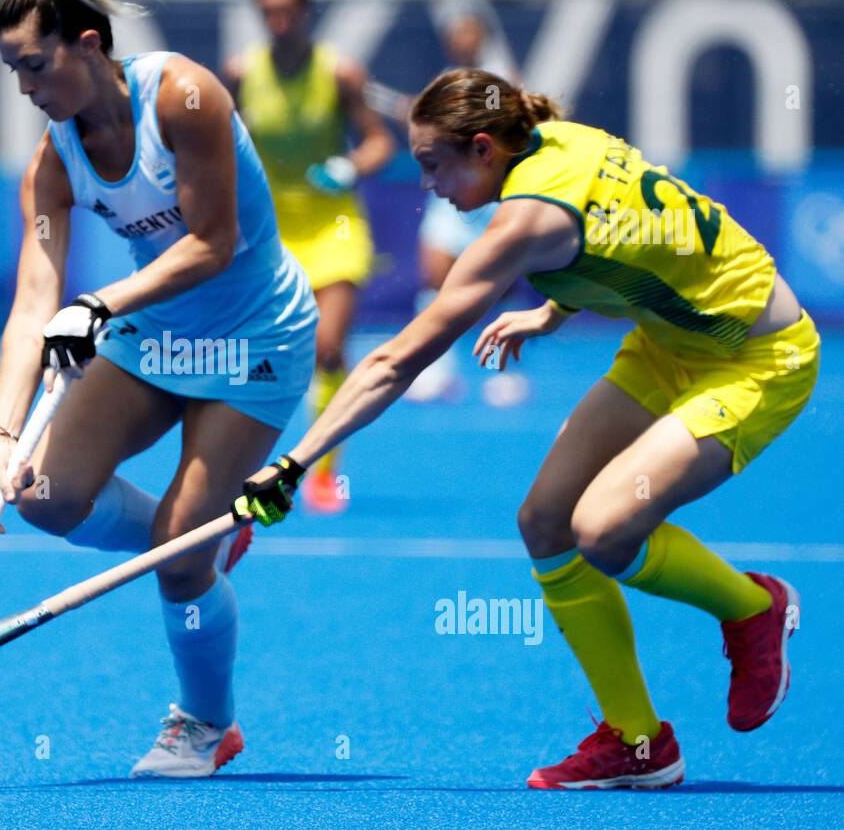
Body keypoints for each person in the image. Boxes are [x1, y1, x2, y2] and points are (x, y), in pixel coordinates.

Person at [236, 67, 818, 790]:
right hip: (666, 342)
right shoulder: (558, 140)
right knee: (546, 520)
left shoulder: (520, 225)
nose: (426, 185)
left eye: (431, 165)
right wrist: (553, 311)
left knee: (603, 529)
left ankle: (754, 608)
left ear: (483, 149)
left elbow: (395, 360)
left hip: (758, 355)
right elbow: (636, 232)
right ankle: (638, 740)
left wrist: (293, 463)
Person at [0, 0, 318, 778]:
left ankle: (207, 722)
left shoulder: (186, 95)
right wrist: (0, 431)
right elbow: (32, 304)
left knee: (179, 558)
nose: (24, 88)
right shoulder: (52, 162)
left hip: (256, 341)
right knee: (45, 494)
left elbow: (212, 241)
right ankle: (195, 541)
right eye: (11, 70)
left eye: (34, 64)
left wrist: (102, 302)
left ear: (87, 45)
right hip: (158, 338)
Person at [223, 0, 394, 514]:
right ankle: (241, 462)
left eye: (288, 11)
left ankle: (321, 472)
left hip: (335, 225)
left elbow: (379, 142)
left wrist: (351, 166)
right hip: (270, 232)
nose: (279, 21)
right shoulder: (240, 74)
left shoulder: (341, 73)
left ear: (306, 12)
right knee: (259, 354)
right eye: (268, 11)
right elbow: (219, 144)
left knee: (328, 348)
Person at [408, 12, 528, 406]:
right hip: (448, 193)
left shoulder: (500, 80)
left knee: (498, 286)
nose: (460, 38)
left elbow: (511, 127)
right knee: (435, 279)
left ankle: (501, 370)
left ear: (482, 36)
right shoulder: (446, 81)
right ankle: (436, 371)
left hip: (489, 195)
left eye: (468, 30)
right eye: (456, 31)